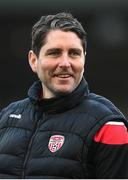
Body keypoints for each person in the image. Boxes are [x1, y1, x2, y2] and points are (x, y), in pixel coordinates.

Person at [0, 12, 128, 179]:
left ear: (84, 59)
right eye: (54, 53)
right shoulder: (6, 117)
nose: (65, 63)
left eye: (74, 53)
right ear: (33, 60)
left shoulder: (109, 125)